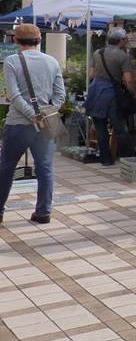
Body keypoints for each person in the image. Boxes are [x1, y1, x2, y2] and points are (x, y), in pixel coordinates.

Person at [0, 24, 66, 224]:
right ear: (39, 40)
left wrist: (31, 114)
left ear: (15, 40)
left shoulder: (12, 61)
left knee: (6, 167)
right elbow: (60, 95)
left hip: (18, 123)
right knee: (45, 168)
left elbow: (13, 95)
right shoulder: (51, 61)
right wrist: (45, 114)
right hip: (45, 125)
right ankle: (44, 212)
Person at [85, 27, 136, 166]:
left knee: (100, 127)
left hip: (96, 91)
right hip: (112, 93)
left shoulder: (98, 53)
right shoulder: (123, 56)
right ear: (122, 40)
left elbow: (92, 74)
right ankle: (128, 159)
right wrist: (133, 93)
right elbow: (129, 80)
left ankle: (106, 159)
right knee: (120, 128)